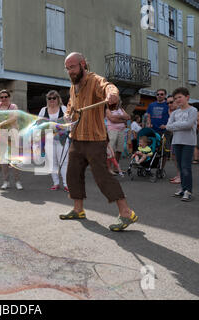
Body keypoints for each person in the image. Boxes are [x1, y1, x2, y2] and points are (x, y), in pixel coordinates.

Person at [59, 52, 137, 232]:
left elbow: (109, 87)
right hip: (77, 138)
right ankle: (78, 210)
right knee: (72, 174)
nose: (70, 71)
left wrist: (113, 95)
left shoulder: (95, 80)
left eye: (73, 67)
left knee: (103, 177)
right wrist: (67, 114)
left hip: (95, 139)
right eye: (67, 68)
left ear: (83, 64)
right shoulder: (73, 86)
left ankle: (126, 212)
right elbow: (71, 105)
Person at [166, 87, 198, 202]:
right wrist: (180, 125)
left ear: (187, 97)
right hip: (176, 142)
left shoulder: (193, 110)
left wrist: (176, 125)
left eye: (180, 97)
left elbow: (189, 124)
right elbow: (168, 126)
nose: (177, 100)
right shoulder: (174, 113)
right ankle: (183, 189)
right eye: (175, 98)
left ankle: (188, 191)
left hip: (188, 143)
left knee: (186, 168)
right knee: (180, 167)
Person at [0, 89, 23, 190]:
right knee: (3, 161)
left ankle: (17, 181)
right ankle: (6, 181)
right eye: (1, 97)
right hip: (0, 136)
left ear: (9, 97)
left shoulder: (13, 107)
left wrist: (0, 124)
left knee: (15, 160)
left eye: (6, 97)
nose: (4, 99)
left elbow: (14, 118)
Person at [38, 90, 69, 191]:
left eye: (54, 98)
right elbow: (39, 123)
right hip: (48, 140)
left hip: (62, 139)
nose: (52, 100)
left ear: (58, 99)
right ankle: (56, 183)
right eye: (49, 98)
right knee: (52, 162)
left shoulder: (63, 108)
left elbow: (69, 121)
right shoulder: (44, 110)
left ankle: (66, 184)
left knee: (63, 162)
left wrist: (66, 120)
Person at [105, 102, 130, 167]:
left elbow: (128, 117)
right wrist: (123, 120)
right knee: (111, 150)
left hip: (121, 131)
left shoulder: (121, 109)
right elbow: (112, 119)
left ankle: (116, 167)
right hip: (112, 130)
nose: (117, 103)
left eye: (118, 101)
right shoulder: (108, 110)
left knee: (119, 150)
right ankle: (109, 167)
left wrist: (117, 117)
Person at [165, 95, 181, 184]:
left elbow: (172, 126)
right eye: (167, 103)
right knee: (174, 156)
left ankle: (181, 176)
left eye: (171, 102)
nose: (169, 104)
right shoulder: (173, 112)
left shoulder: (179, 112)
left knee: (179, 157)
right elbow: (169, 127)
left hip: (181, 138)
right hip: (175, 137)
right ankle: (178, 175)